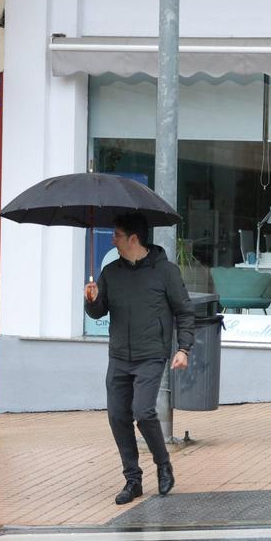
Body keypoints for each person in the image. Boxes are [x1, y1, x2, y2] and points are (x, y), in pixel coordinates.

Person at [83, 213, 193, 506]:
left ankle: (163, 464)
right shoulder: (111, 272)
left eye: (117, 235)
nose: (112, 240)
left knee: (143, 411)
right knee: (118, 417)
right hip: (119, 356)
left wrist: (184, 348)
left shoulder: (165, 272)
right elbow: (98, 312)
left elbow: (184, 311)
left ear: (133, 238)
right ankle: (133, 480)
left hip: (151, 355)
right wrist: (91, 300)